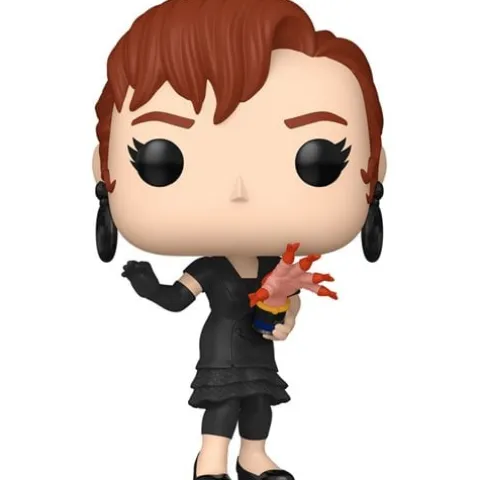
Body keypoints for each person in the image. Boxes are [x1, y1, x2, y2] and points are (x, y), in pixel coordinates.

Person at [92, 0, 386, 478]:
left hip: (257, 350)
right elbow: (177, 299)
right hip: (221, 352)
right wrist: (146, 285)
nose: (239, 191)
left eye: (318, 158)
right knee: (223, 405)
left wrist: (286, 317)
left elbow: (286, 305)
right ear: (104, 173)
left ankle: (254, 458)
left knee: (259, 405)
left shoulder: (276, 265)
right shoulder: (208, 268)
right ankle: (210, 461)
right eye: (162, 159)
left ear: (375, 171)